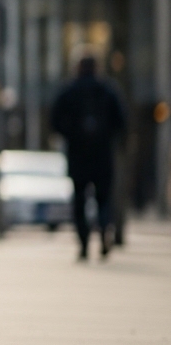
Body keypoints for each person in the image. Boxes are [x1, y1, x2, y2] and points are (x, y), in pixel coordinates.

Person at [50, 54, 126, 261]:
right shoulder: (108, 90)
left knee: (80, 201)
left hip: (77, 155)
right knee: (103, 199)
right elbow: (121, 122)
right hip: (102, 155)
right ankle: (103, 234)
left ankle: (83, 244)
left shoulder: (69, 91)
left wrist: (70, 135)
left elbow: (55, 121)